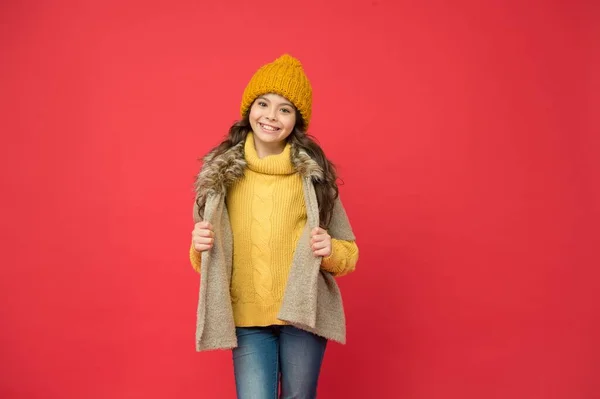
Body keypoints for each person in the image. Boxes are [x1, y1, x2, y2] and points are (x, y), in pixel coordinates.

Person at [189, 54, 359, 399]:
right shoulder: (220, 176)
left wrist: (329, 251)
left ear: (296, 120)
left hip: (303, 312)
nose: (270, 116)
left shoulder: (315, 177)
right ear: (249, 109)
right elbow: (205, 263)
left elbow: (348, 254)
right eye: (263, 103)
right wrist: (199, 245)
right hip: (247, 316)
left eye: (285, 109)